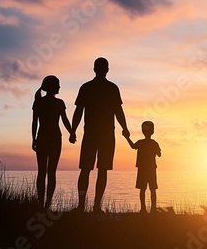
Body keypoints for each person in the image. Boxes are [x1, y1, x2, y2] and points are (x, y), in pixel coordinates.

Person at [70, 57, 130, 213]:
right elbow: (79, 111)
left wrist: (72, 130)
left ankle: (89, 206)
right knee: (93, 169)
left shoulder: (92, 88)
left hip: (98, 134)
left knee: (90, 169)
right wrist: (72, 130)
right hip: (100, 135)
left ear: (95, 69)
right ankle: (91, 207)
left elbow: (118, 111)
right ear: (106, 69)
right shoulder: (109, 88)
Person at [31, 75, 72, 211]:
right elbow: (65, 120)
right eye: (58, 85)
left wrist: (34, 139)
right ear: (53, 86)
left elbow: (34, 123)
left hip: (42, 138)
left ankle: (42, 205)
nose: (59, 87)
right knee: (51, 172)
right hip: (54, 139)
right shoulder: (59, 103)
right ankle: (46, 205)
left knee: (42, 171)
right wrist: (72, 132)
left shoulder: (38, 102)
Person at [125, 121, 161, 214]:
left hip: (142, 169)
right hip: (151, 169)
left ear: (142, 131)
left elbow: (133, 146)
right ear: (152, 131)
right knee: (152, 189)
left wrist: (127, 138)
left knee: (142, 189)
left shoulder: (140, 143)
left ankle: (143, 209)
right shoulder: (154, 143)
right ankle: (153, 209)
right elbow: (159, 154)